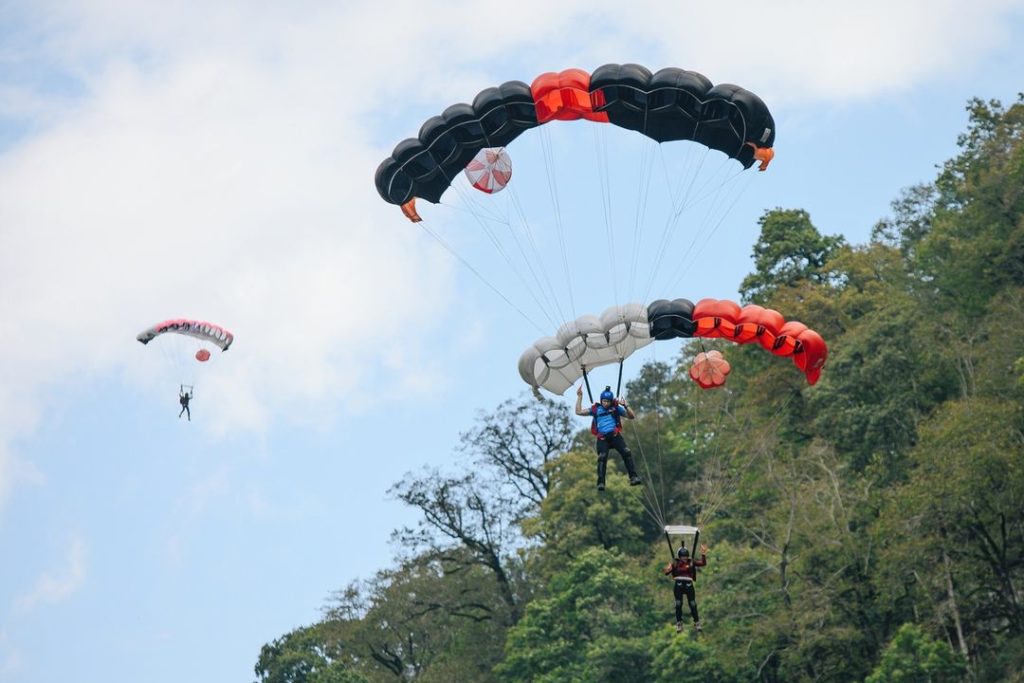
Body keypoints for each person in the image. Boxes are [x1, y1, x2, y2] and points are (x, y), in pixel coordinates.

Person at [575, 384, 641, 491]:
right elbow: (578, 412)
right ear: (601, 400)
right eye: (604, 401)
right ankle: (601, 482)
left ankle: (633, 477)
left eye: (608, 401)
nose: (606, 403)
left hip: (615, 436)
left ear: (611, 401)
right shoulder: (596, 409)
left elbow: (631, 416)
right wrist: (579, 397)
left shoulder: (616, 408)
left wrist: (626, 406)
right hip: (603, 439)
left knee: (626, 452)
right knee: (602, 457)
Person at [664, 544, 709, 632]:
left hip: (688, 584)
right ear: (679, 557)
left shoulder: (691, 562)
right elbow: (666, 572)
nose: (684, 558)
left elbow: (703, 563)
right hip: (679, 584)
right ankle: (679, 623)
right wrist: (668, 569)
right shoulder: (675, 563)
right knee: (678, 604)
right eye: (682, 557)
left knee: (692, 604)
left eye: (685, 556)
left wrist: (703, 554)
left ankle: (697, 622)